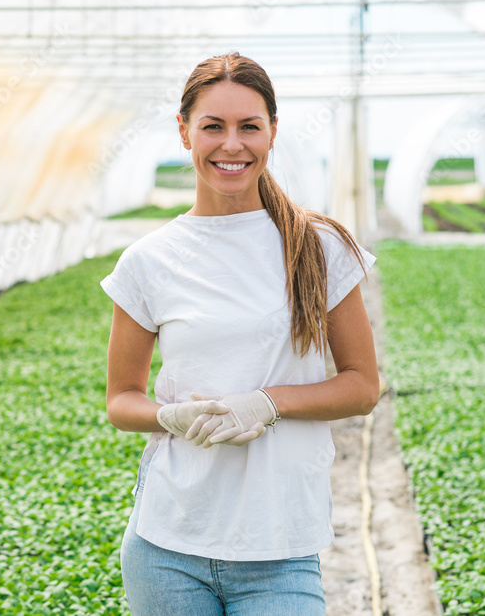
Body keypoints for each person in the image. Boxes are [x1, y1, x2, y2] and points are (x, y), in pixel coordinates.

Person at [99, 52, 380, 615]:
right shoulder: (148, 261)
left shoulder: (317, 248)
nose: (232, 145)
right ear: (184, 132)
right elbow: (120, 400)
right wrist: (168, 416)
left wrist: (266, 403)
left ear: (272, 132)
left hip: (279, 550)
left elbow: (361, 386)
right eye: (212, 126)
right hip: (166, 546)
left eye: (249, 126)